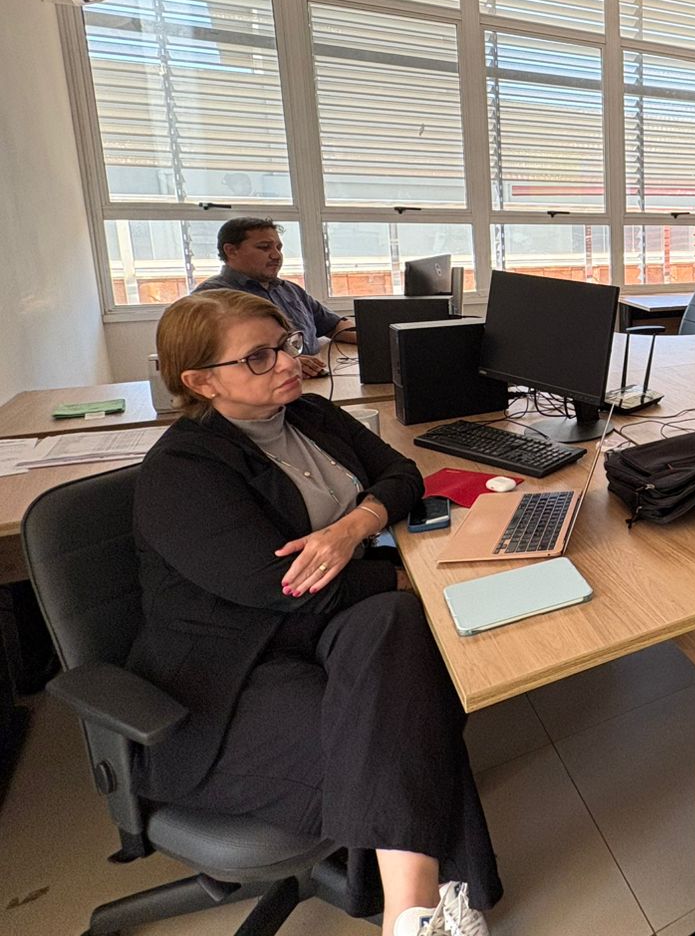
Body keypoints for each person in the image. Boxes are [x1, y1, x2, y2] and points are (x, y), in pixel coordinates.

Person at [129, 290, 501, 936]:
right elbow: (287, 588)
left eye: (288, 344)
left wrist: (354, 526)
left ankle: (406, 916)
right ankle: (423, 905)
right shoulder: (181, 470)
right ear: (200, 381)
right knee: (405, 720)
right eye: (259, 357)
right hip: (235, 673)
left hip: (325, 633)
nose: (287, 363)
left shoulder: (313, 416)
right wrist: (399, 578)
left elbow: (403, 475)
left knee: (395, 626)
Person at [195, 217, 356, 378]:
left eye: (278, 247)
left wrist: (374, 337)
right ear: (231, 250)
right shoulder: (211, 297)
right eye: (264, 247)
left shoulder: (290, 290)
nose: (276, 255)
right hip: (259, 391)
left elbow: (334, 326)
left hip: (315, 382)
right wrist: (286, 362)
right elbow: (215, 355)